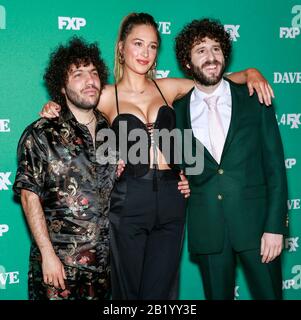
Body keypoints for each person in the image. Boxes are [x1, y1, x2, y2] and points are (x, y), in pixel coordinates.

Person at [41, 13, 274, 300]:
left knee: (161, 293)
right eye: (138, 44)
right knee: (129, 293)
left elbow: (214, 81)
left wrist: (250, 72)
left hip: (171, 199)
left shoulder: (168, 88)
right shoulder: (104, 95)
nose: (145, 53)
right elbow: (74, 104)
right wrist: (52, 106)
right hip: (128, 202)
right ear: (121, 49)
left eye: (152, 46)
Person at [174, 18, 288, 299]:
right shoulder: (176, 110)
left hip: (258, 230)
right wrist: (181, 179)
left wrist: (275, 227)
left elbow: (275, 168)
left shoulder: (253, 97)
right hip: (208, 230)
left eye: (216, 49)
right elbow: (174, 164)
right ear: (187, 63)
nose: (211, 57)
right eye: (201, 50)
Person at [13, 37, 117, 300]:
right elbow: (28, 195)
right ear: (61, 84)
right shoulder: (41, 133)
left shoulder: (110, 131)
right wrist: (47, 255)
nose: (89, 80)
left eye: (93, 73)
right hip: (60, 268)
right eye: (78, 74)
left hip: (105, 268)